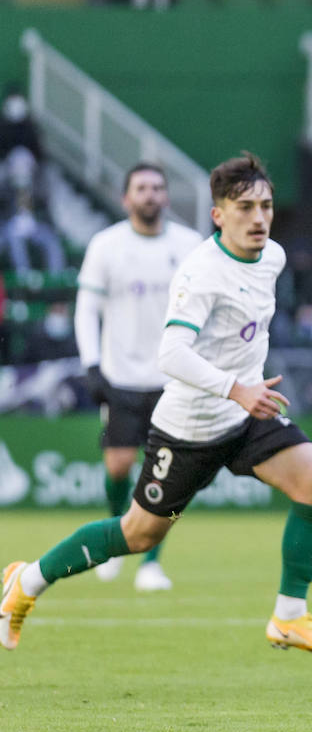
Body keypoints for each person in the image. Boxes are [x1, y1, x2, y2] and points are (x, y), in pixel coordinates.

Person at [2, 153, 312, 657]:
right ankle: (26, 581)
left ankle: (290, 616)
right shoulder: (201, 273)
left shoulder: (271, 257)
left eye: (267, 206)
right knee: (137, 534)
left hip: (246, 413)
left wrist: (246, 386)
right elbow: (172, 353)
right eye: (245, 207)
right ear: (218, 215)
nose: (258, 217)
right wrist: (237, 387)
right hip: (191, 427)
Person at [75, 163, 202, 591]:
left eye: (157, 188)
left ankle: (151, 561)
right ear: (126, 197)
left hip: (174, 378)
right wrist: (92, 365)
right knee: (119, 465)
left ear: (166, 197)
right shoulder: (106, 245)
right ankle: (116, 544)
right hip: (121, 376)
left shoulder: (189, 245)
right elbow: (86, 310)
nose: (149, 194)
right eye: (141, 188)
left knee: (168, 473)